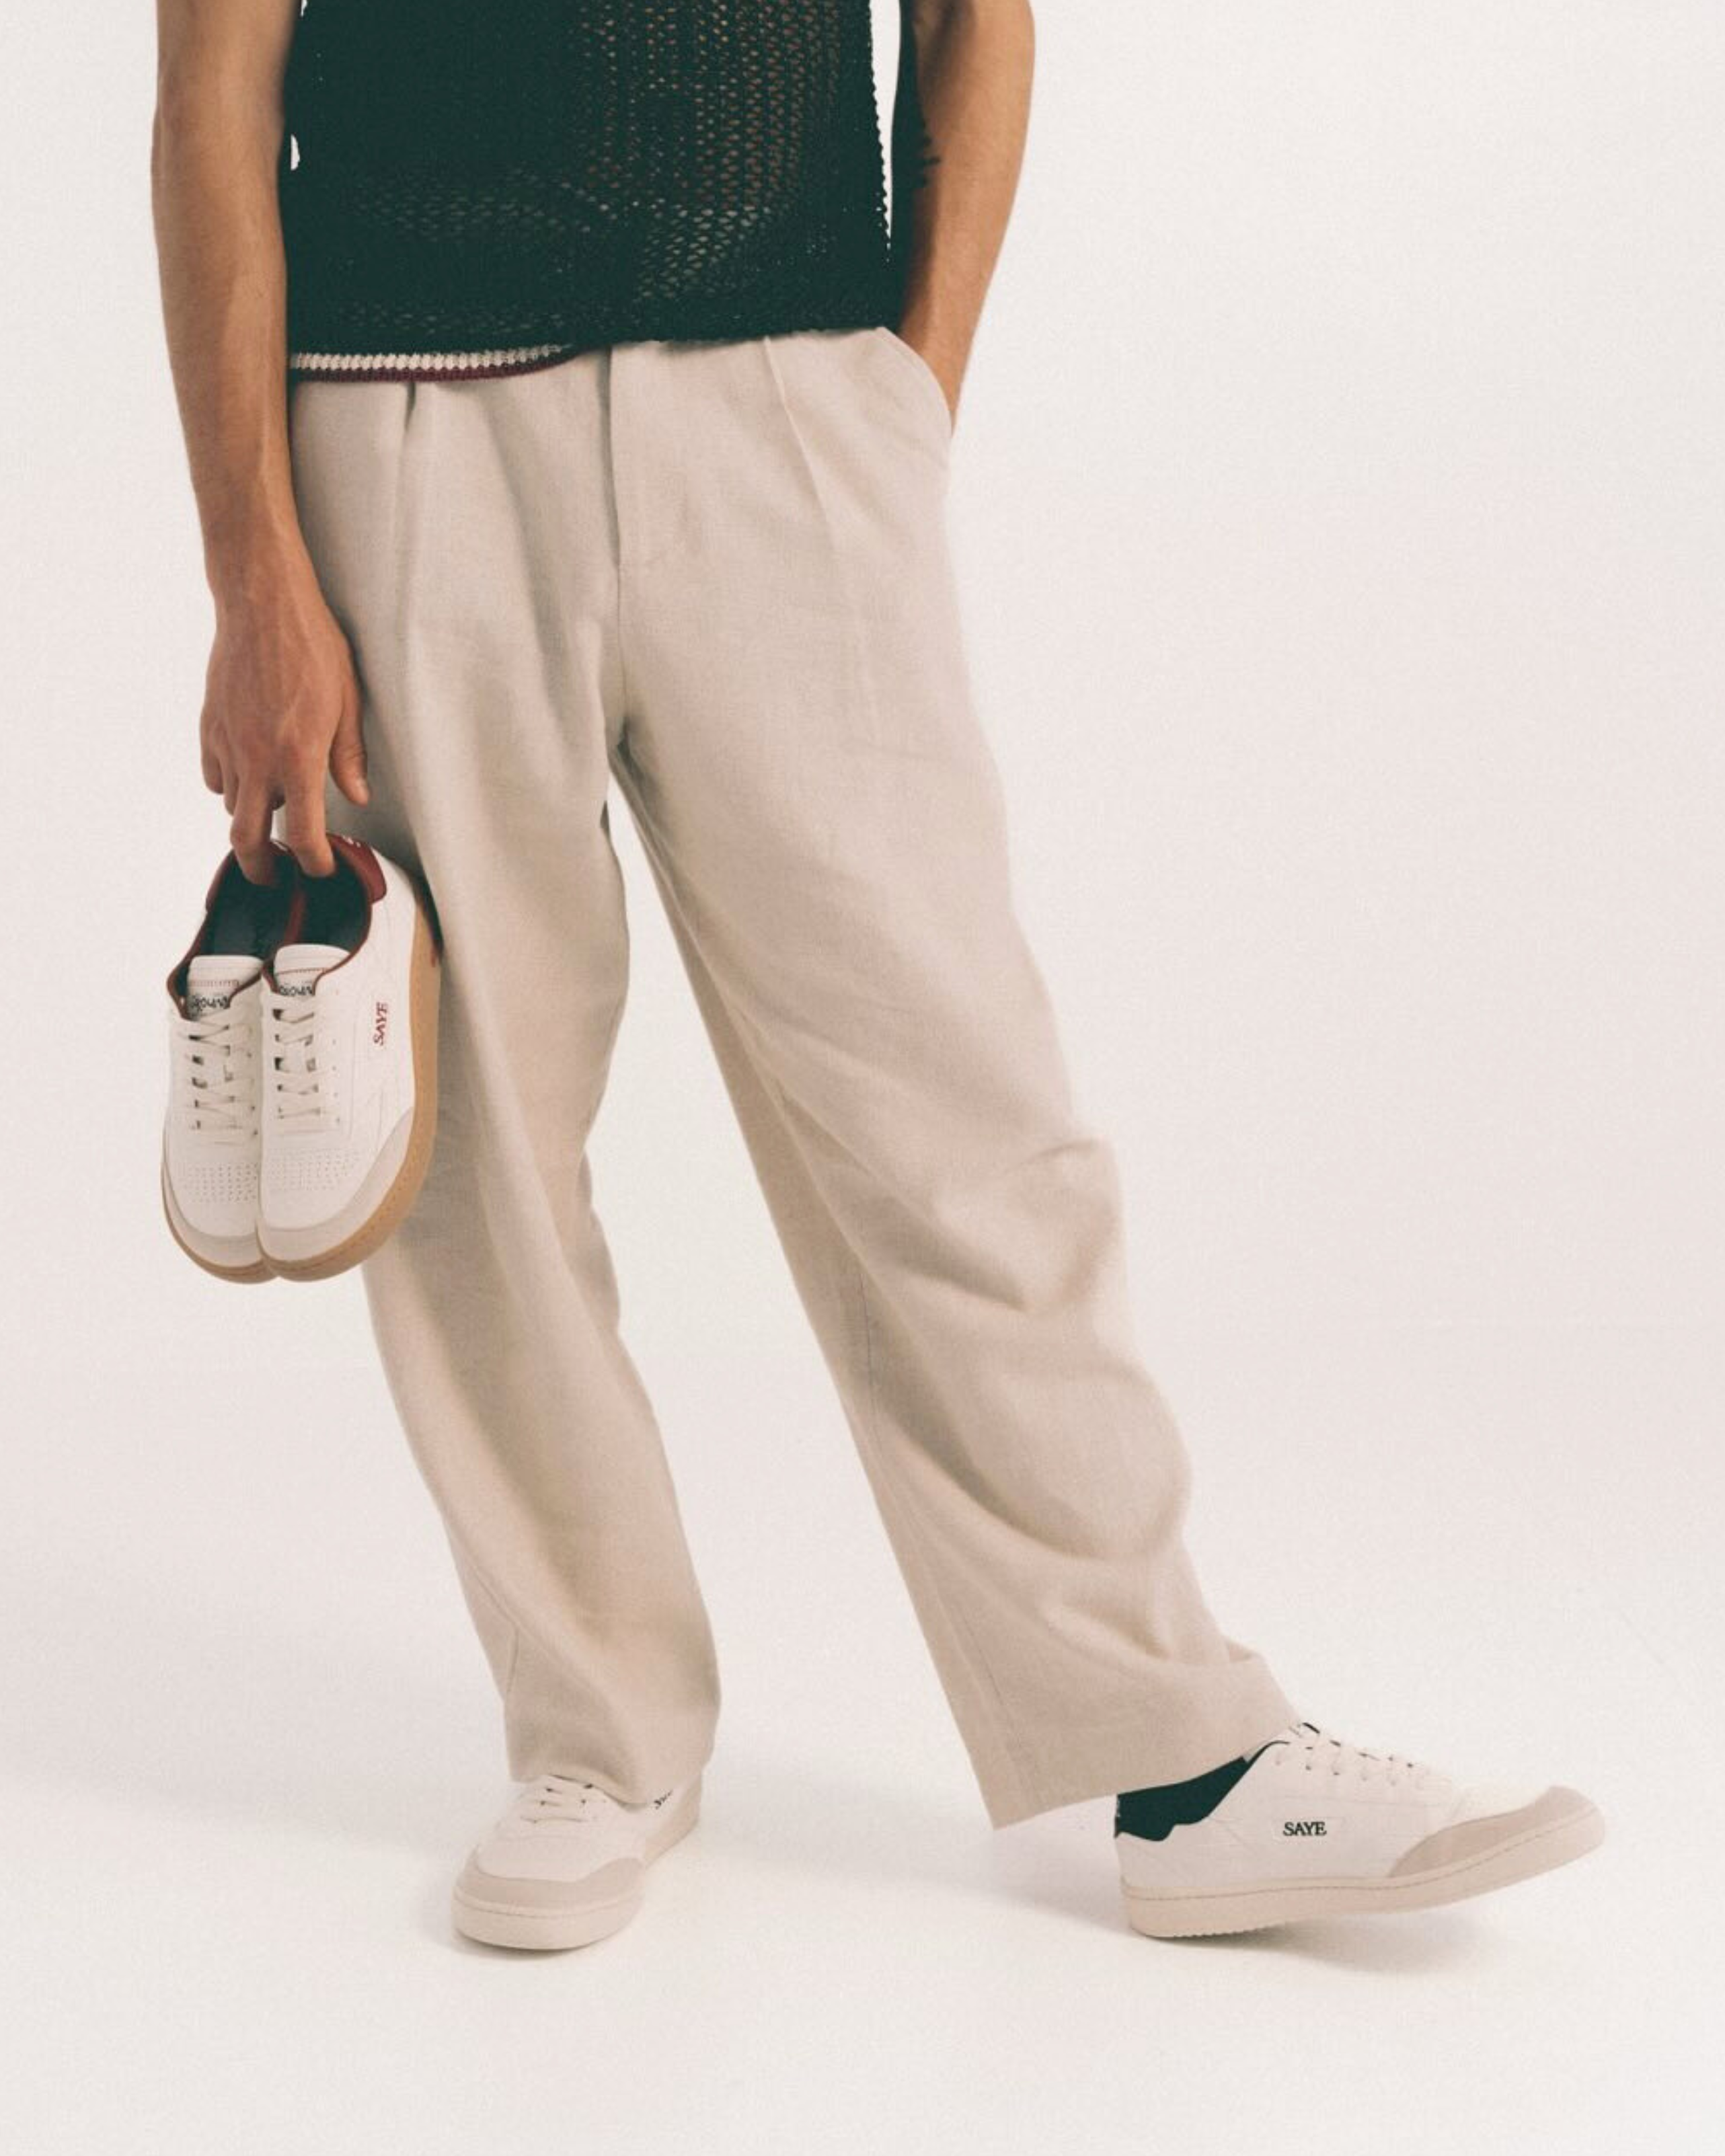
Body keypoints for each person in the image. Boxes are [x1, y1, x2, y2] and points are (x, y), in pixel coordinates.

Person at [150, 0, 1603, 1948]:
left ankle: (1184, 1756)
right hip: (403, 416)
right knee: (471, 1145)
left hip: (788, 400)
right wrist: (253, 576)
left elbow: (975, 22)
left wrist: (906, 397)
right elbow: (213, 89)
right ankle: (600, 1732)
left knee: (961, 1110)